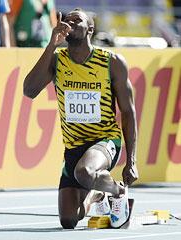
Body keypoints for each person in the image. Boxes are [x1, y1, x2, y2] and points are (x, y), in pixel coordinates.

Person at [23, 8, 139, 229]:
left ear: (90, 29)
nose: (70, 23)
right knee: (69, 220)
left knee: (84, 172)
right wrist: (51, 45)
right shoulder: (57, 61)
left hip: (105, 141)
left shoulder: (111, 62)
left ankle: (118, 190)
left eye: (77, 20)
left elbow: (128, 111)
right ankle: (96, 195)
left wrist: (131, 160)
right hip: (74, 147)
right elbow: (29, 91)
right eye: (67, 20)